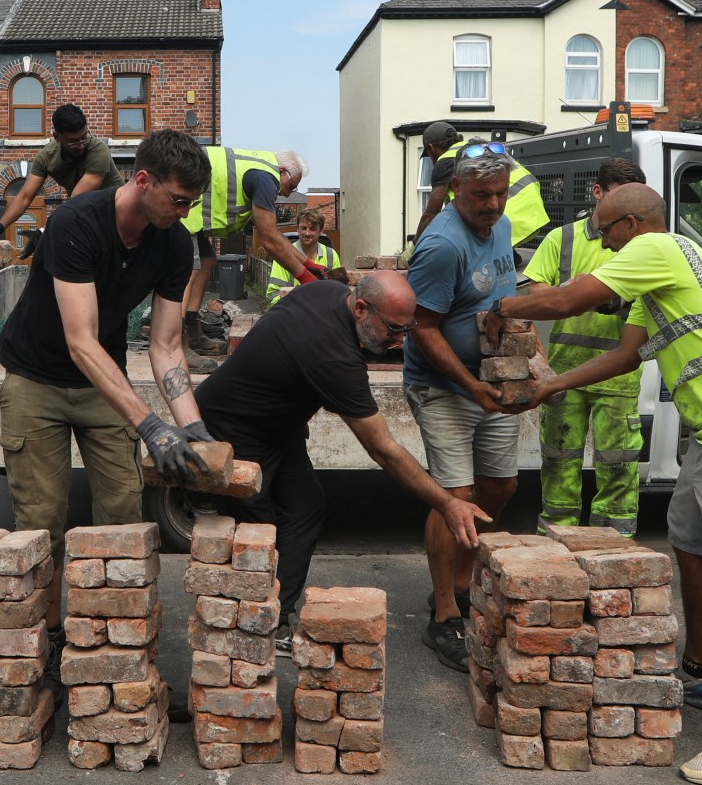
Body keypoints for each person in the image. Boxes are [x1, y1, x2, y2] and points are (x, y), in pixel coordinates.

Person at [499, 183, 702, 785]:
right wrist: (550, 386)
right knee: (688, 541)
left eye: (604, 229)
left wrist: (495, 307)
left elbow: (566, 300)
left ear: (632, 224)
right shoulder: (664, 274)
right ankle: (701, 673)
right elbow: (624, 357)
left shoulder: (657, 248)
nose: (601, 240)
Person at [195, 271, 488, 646]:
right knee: (257, 530)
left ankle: (275, 615)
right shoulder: (335, 356)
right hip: (231, 429)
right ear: (362, 308)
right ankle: (248, 629)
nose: (400, 341)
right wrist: (447, 503)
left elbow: (279, 334)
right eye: (393, 329)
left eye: (407, 330)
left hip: (276, 425)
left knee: (304, 506)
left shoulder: (328, 291)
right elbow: (382, 449)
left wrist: (289, 400)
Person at [0, 129, 214, 627]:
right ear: (144, 181)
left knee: (122, 515)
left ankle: (111, 640)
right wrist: (151, 426)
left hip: (102, 384)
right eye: (179, 200)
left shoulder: (173, 244)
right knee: (41, 527)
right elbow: (81, 342)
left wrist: (192, 426)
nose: (185, 213)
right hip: (36, 381)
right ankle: (47, 638)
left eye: (192, 203)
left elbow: (166, 346)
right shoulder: (76, 222)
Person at [404, 148, 528, 671]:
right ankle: (444, 613)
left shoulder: (501, 226)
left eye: (500, 193)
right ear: (457, 189)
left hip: (492, 382)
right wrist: (469, 385)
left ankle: (462, 580)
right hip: (443, 387)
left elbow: (502, 295)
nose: (493, 204)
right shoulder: (442, 245)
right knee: (453, 497)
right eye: (482, 195)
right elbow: (421, 327)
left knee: (500, 485)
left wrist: (524, 357)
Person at [524, 157, 647, 535]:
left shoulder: (641, 243)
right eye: (617, 197)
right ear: (597, 192)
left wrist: (598, 296)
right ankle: (557, 538)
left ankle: (615, 544)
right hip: (567, 372)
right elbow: (535, 293)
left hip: (619, 375)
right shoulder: (562, 239)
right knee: (559, 461)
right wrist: (571, 294)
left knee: (619, 466)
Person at [179, 146, 311, 361]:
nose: (287, 194)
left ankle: (193, 334)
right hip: (182, 209)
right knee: (187, 273)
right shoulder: (266, 179)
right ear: (282, 171)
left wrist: (308, 264)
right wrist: (306, 277)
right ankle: (176, 344)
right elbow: (269, 237)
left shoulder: (260, 168)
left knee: (207, 260)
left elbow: (275, 236)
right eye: (291, 186)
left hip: (193, 212)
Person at [412, 123, 550, 257]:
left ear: (431, 148)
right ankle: (511, 255)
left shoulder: (444, 161)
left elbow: (431, 213)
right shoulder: (478, 149)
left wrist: (414, 248)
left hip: (508, 217)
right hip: (535, 212)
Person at [0, 104, 123, 234]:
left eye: (84, 137)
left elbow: (76, 200)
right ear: (57, 137)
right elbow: (25, 196)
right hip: (88, 214)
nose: (81, 146)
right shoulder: (46, 157)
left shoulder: (99, 151)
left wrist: (43, 232)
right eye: (73, 141)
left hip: (118, 212)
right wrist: (0, 226)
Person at [264, 209, 343, 307]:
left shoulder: (331, 255)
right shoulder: (284, 256)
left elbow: (339, 292)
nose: (307, 233)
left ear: (321, 231)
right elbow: (272, 295)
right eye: (303, 228)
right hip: (294, 312)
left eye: (312, 229)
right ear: (297, 229)